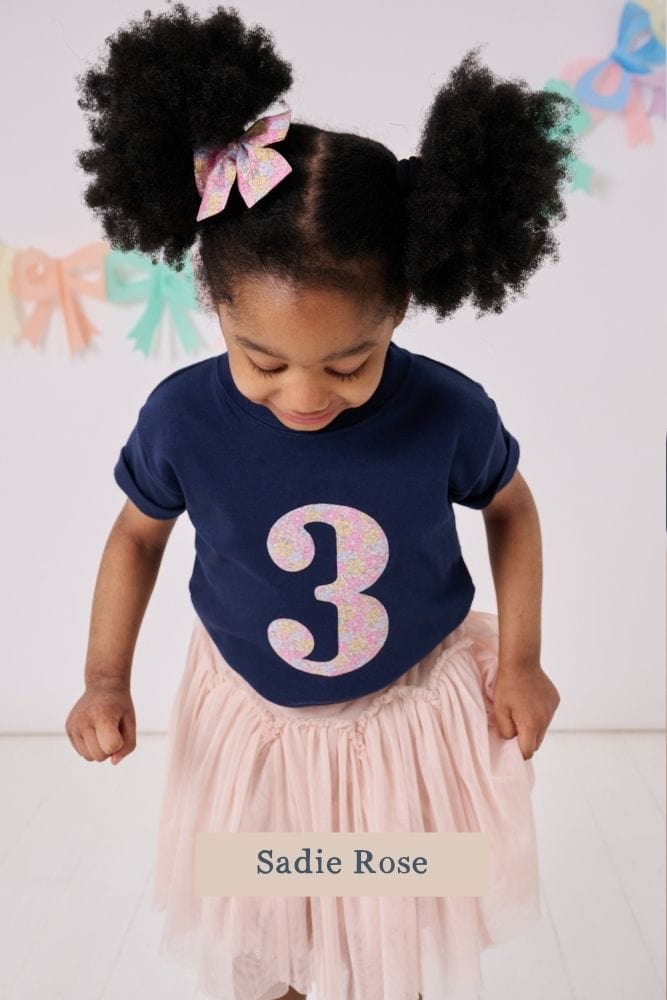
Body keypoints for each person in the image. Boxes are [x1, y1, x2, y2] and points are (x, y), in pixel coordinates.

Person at [65, 5, 567, 999]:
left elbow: (510, 506)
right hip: (253, 719)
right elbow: (134, 537)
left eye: (349, 362)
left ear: (399, 311)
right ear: (217, 307)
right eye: (262, 360)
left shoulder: (443, 411)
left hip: (402, 718)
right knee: (266, 929)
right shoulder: (183, 420)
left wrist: (521, 659)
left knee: (394, 933)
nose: (303, 395)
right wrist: (103, 678)